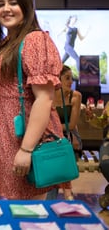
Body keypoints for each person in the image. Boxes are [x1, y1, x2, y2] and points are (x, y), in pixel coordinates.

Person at [0, 0, 63, 200]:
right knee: (8, 209)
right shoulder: (7, 41)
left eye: (13, 3)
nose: (6, 9)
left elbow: (44, 98)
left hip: (22, 136)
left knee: (27, 211)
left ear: (26, 7)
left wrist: (26, 149)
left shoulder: (35, 40)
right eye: (0, 4)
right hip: (1, 134)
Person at [47, 65, 82, 200]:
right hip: (53, 138)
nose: (71, 82)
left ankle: (60, 196)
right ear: (57, 79)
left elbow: (71, 125)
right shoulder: (48, 96)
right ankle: (67, 195)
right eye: (67, 78)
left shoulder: (75, 96)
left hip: (70, 137)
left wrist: (50, 127)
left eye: (71, 78)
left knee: (55, 160)